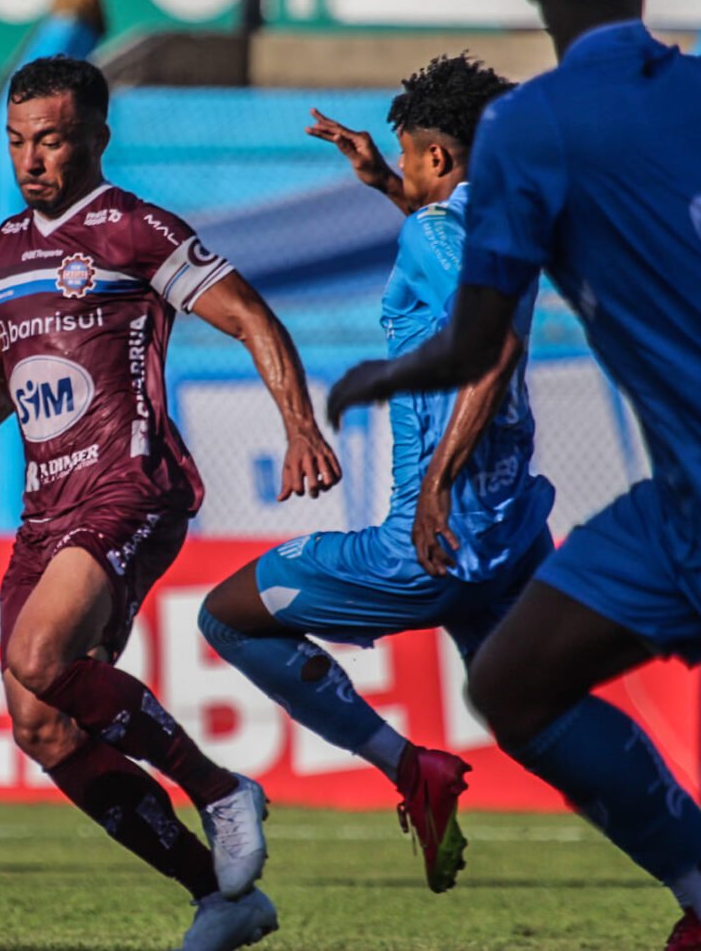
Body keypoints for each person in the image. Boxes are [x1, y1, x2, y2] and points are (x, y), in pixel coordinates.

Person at [325, 0, 701, 947]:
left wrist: (371, 383)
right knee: (511, 674)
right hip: (683, 502)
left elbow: (475, 341)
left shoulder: (527, 126)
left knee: (513, 686)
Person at [0, 57, 341, 951]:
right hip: (44, 510)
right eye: (16, 142)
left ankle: (219, 789)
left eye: (49, 140)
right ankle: (221, 898)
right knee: (40, 724)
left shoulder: (133, 227)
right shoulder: (2, 250)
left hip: (131, 483)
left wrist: (299, 427)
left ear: (95, 137)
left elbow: (250, 315)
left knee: (39, 652)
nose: (30, 160)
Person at [199, 55, 554, 895]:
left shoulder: (432, 231)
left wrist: (432, 489)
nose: (402, 170)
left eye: (408, 158)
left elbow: (493, 347)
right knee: (550, 722)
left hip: (427, 543)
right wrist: (381, 183)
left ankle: (407, 766)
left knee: (227, 617)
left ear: (438, 158)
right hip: (510, 533)